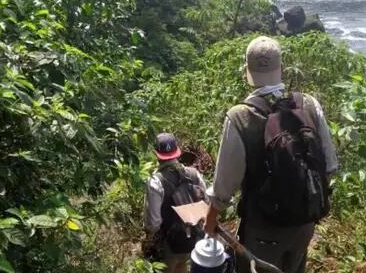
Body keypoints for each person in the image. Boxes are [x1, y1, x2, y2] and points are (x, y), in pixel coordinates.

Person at [203, 36, 338, 273]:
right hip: (304, 223)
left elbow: (224, 187)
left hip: (263, 229)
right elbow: (329, 164)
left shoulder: (239, 118)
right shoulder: (308, 104)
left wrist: (211, 219)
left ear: (247, 71)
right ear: (282, 68)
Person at [144, 133, 207, 273]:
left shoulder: (156, 181)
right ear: (177, 152)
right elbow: (207, 202)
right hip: (195, 238)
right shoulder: (193, 173)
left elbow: (153, 223)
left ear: (156, 154)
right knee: (182, 266)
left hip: (170, 243)